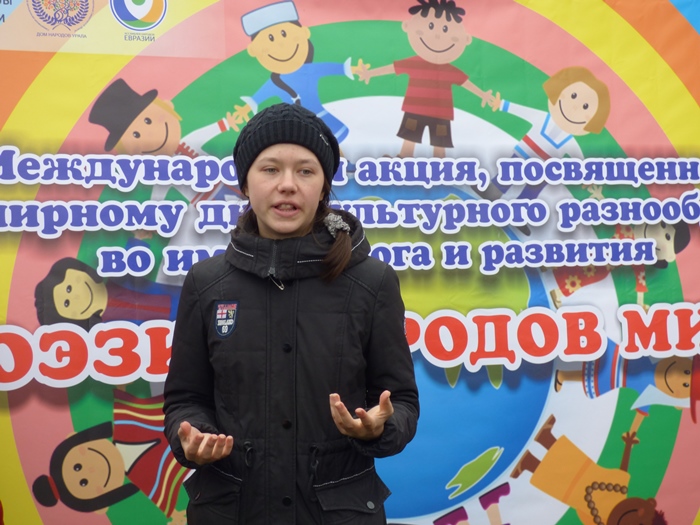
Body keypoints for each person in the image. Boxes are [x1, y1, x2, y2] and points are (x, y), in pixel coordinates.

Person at [163, 102, 420, 523]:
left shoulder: (371, 282)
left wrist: (379, 427)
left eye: (305, 171)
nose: (287, 185)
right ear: (245, 183)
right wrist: (193, 436)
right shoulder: (207, 283)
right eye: (270, 169)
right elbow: (185, 399)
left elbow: (402, 401)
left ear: (324, 187)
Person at [358, 0, 495, 158]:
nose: (437, 35)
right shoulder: (414, 62)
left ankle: (441, 165)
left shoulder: (449, 70)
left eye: (445, 29)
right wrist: (370, 73)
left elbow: (466, 83)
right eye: (430, 26)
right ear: (407, 26)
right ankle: (404, 159)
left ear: (466, 39)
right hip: (415, 109)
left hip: (440, 113)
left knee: (439, 143)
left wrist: (483, 95)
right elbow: (392, 68)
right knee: (410, 137)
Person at [511, 415, 667, 525]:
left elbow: (584, 516)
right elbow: (623, 471)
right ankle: (546, 438)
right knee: (568, 458)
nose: (638, 513)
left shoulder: (604, 520)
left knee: (556, 482)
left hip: (572, 492)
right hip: (585, 471)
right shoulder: (620, 492)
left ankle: (529, 464)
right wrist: (628, 445)